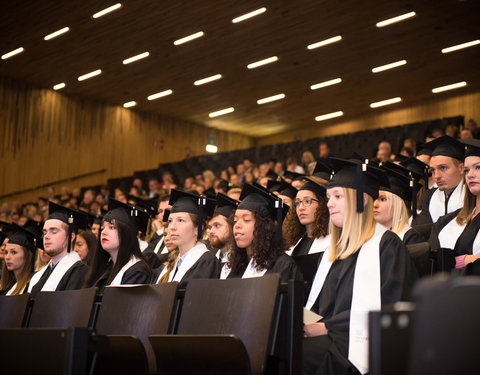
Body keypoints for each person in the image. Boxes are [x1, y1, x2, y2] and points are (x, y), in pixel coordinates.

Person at [303, 157, 417, 375]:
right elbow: (319, 307)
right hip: (328, 337)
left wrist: (327, 327)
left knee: (300, 356)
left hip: (358, 341)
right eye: (328, 197)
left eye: (337, 196)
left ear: (362, 200)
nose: (329, 204)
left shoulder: (386, 245)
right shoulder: (334, 250)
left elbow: (391, 307)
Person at [222, 183, 299, 282]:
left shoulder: (283, 266)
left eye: (246, 220)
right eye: (235, 220)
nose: (237, 225)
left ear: (264, 227)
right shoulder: (232, 267)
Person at [428, 138, 480, 272]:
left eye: (478, 167)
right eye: (467, 170)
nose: (470, 175)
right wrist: (463, 261)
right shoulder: (446, 221)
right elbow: (433, 260)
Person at [153, 190, 218, 288]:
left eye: (180, 220)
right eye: (170, 221)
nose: (172, 227)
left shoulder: (207, 262)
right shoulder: (170, 265)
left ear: (198, 229)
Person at [84, 199, 152, 291]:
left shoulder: (137, 272)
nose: (103, 232)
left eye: (112, 227)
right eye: (103, 228)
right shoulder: (105, 268)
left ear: (127, 233)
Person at [27, 202, 90, 297]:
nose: (46, 236)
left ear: (71, 237)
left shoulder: (80, 272)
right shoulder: (38, 276)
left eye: (54, 231)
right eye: (45, 232)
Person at [412, 136, 465, 226]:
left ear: (461, 168)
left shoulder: (472, 197)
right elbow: (420, 229)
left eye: (443, 168)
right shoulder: (430, 196)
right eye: (433, 170)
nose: (436, 176)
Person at [374, 163, 423, 245]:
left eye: (383, 199)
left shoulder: (409, 238)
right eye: (374, 198)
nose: (375, 204)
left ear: (398, 205)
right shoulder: (367, 236)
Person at [283, 177, 330, 256]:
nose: (301, 207)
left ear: (322, 204)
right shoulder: (293, 243)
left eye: (307, 201)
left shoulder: (331, 242)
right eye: (297, 203)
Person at [0, 225, 40, 295]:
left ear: (26, 256)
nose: (7, 257)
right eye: (6, 252)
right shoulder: (8, 289)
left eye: (14, 252)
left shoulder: (32, 286)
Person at [207, 193, 238, 274]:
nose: (211, 231)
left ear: (232, 227)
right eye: (210, 227)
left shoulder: (241, 260)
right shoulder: (207, 258)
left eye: (217, 225)